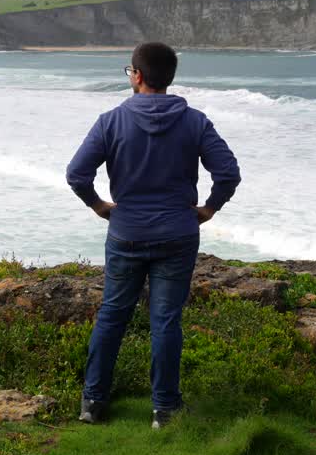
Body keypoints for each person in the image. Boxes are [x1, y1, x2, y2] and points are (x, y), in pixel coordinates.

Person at [66, 41, 241, 428]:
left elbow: (77, 174)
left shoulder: (110, 121)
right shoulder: (195, 121)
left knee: (112, 315)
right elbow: (228, 172)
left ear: (138, 76)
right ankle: (164, 409)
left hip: (126, 231)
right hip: (177, 236)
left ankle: (93, 403)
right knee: (165, 321)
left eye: (130, 71)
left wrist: (99, 206)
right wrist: (209, 208)